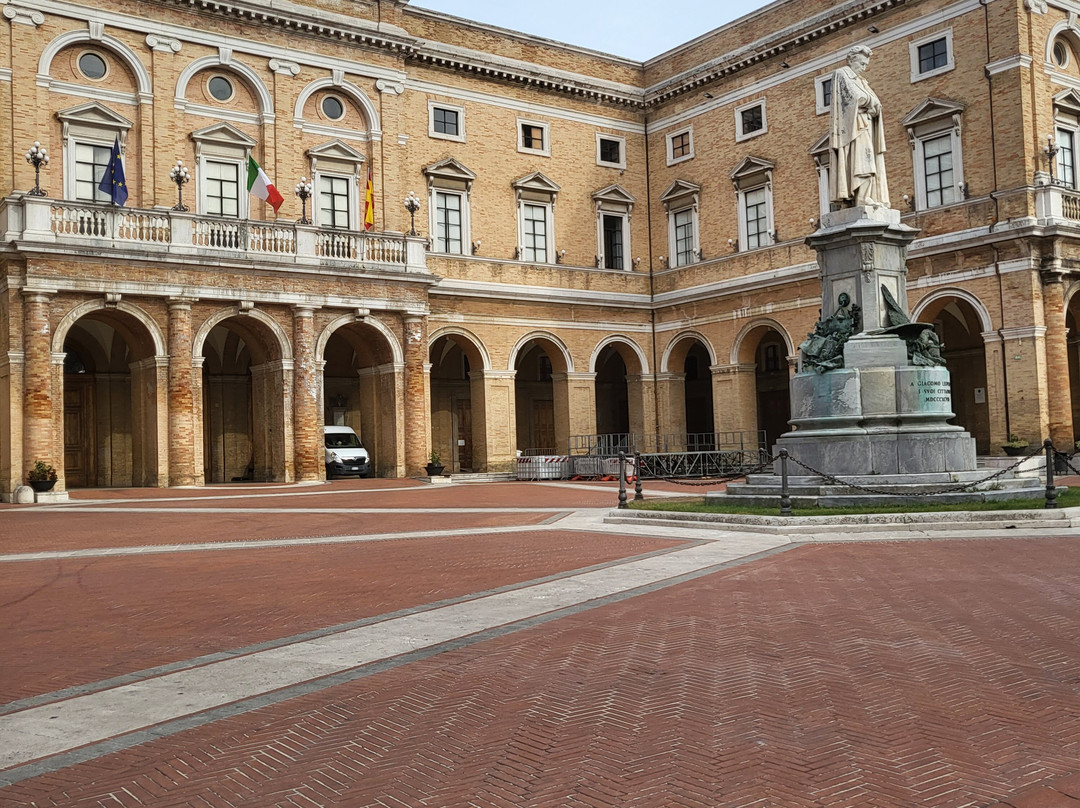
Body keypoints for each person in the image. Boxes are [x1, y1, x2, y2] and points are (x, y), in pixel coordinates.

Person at [830, 45, 890, 208]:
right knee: (862, 162)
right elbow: (856, 97)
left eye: (865, 65)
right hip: (853, 129)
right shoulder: (842, 75)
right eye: (861, 64)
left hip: (865, 126)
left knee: (869, 161)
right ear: (851, 60)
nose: (863, 68)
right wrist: (871, 103)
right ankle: (861, 198)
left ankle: (866, 196)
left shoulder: (863, 81)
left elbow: (877, 103)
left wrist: (873, 105)